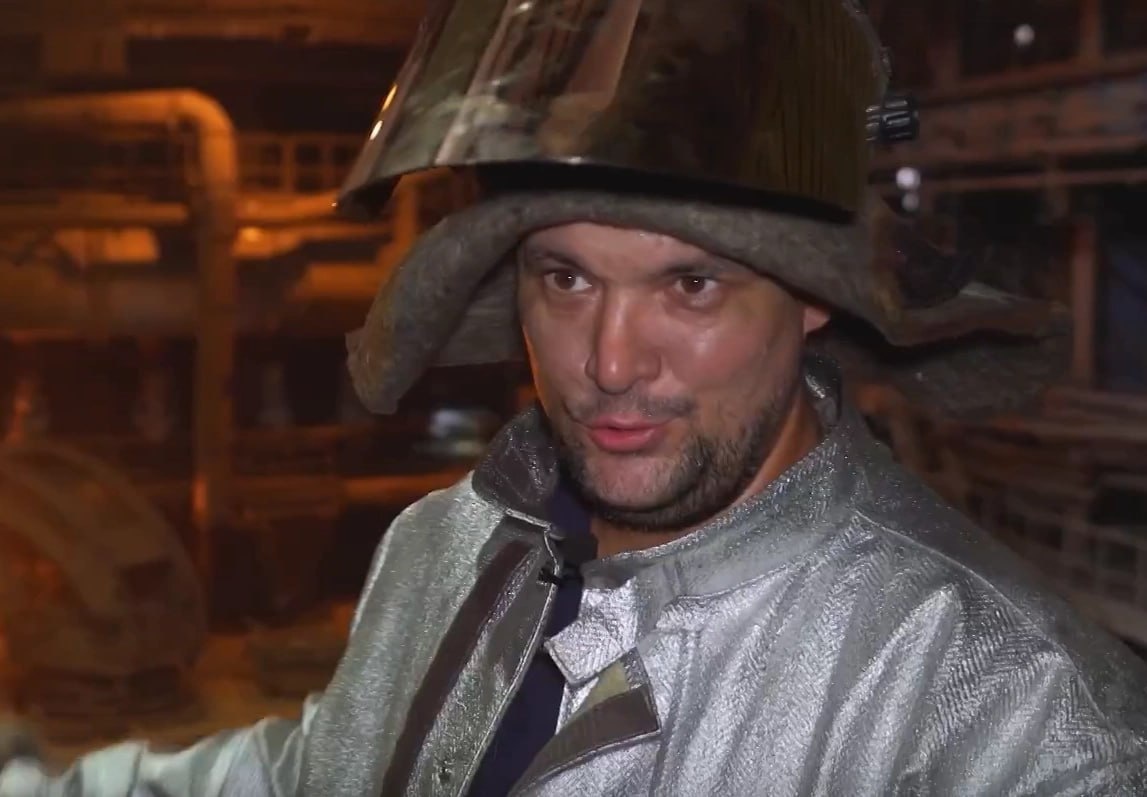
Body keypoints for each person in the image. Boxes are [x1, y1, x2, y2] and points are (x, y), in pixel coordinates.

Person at [4, 0, 1147, 794]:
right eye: (566, 278)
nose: (608, 360)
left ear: (813, 297)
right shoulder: (445, 546)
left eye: (688, 285)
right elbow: (311, 777)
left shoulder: (1014, 712)